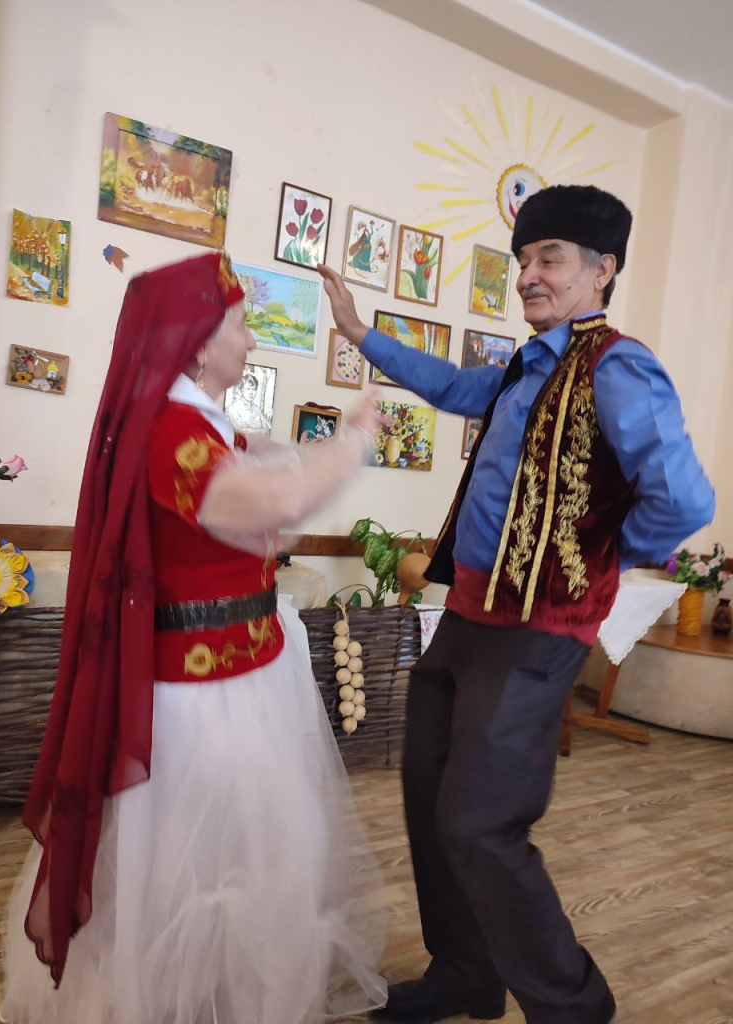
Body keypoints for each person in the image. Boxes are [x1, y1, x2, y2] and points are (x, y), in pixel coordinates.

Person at [318, 183, 716, 1024]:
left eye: (550, 258)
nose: (529, 274)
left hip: (538, 631)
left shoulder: (618, 366)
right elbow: (448, 383)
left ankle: (575, 1008)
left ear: (601, 271)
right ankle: (465, 973)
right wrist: (359, 333)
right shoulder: (525, 367)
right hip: (468, 616)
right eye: (524, 259)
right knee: (429, 797)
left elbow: (682, 498)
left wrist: (600, 558)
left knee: (479, 825)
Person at [0, 251, 387, 1024]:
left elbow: (277, 486)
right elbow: (276, 499)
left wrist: (334, 444)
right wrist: (355, 444)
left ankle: (217, 992)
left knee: (254, 850)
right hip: (202, 702)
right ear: (201, 343)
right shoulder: (171, 434)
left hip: (244, 676)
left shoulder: (208, 428)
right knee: (201, 859)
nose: (251, 341)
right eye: (241, 326)